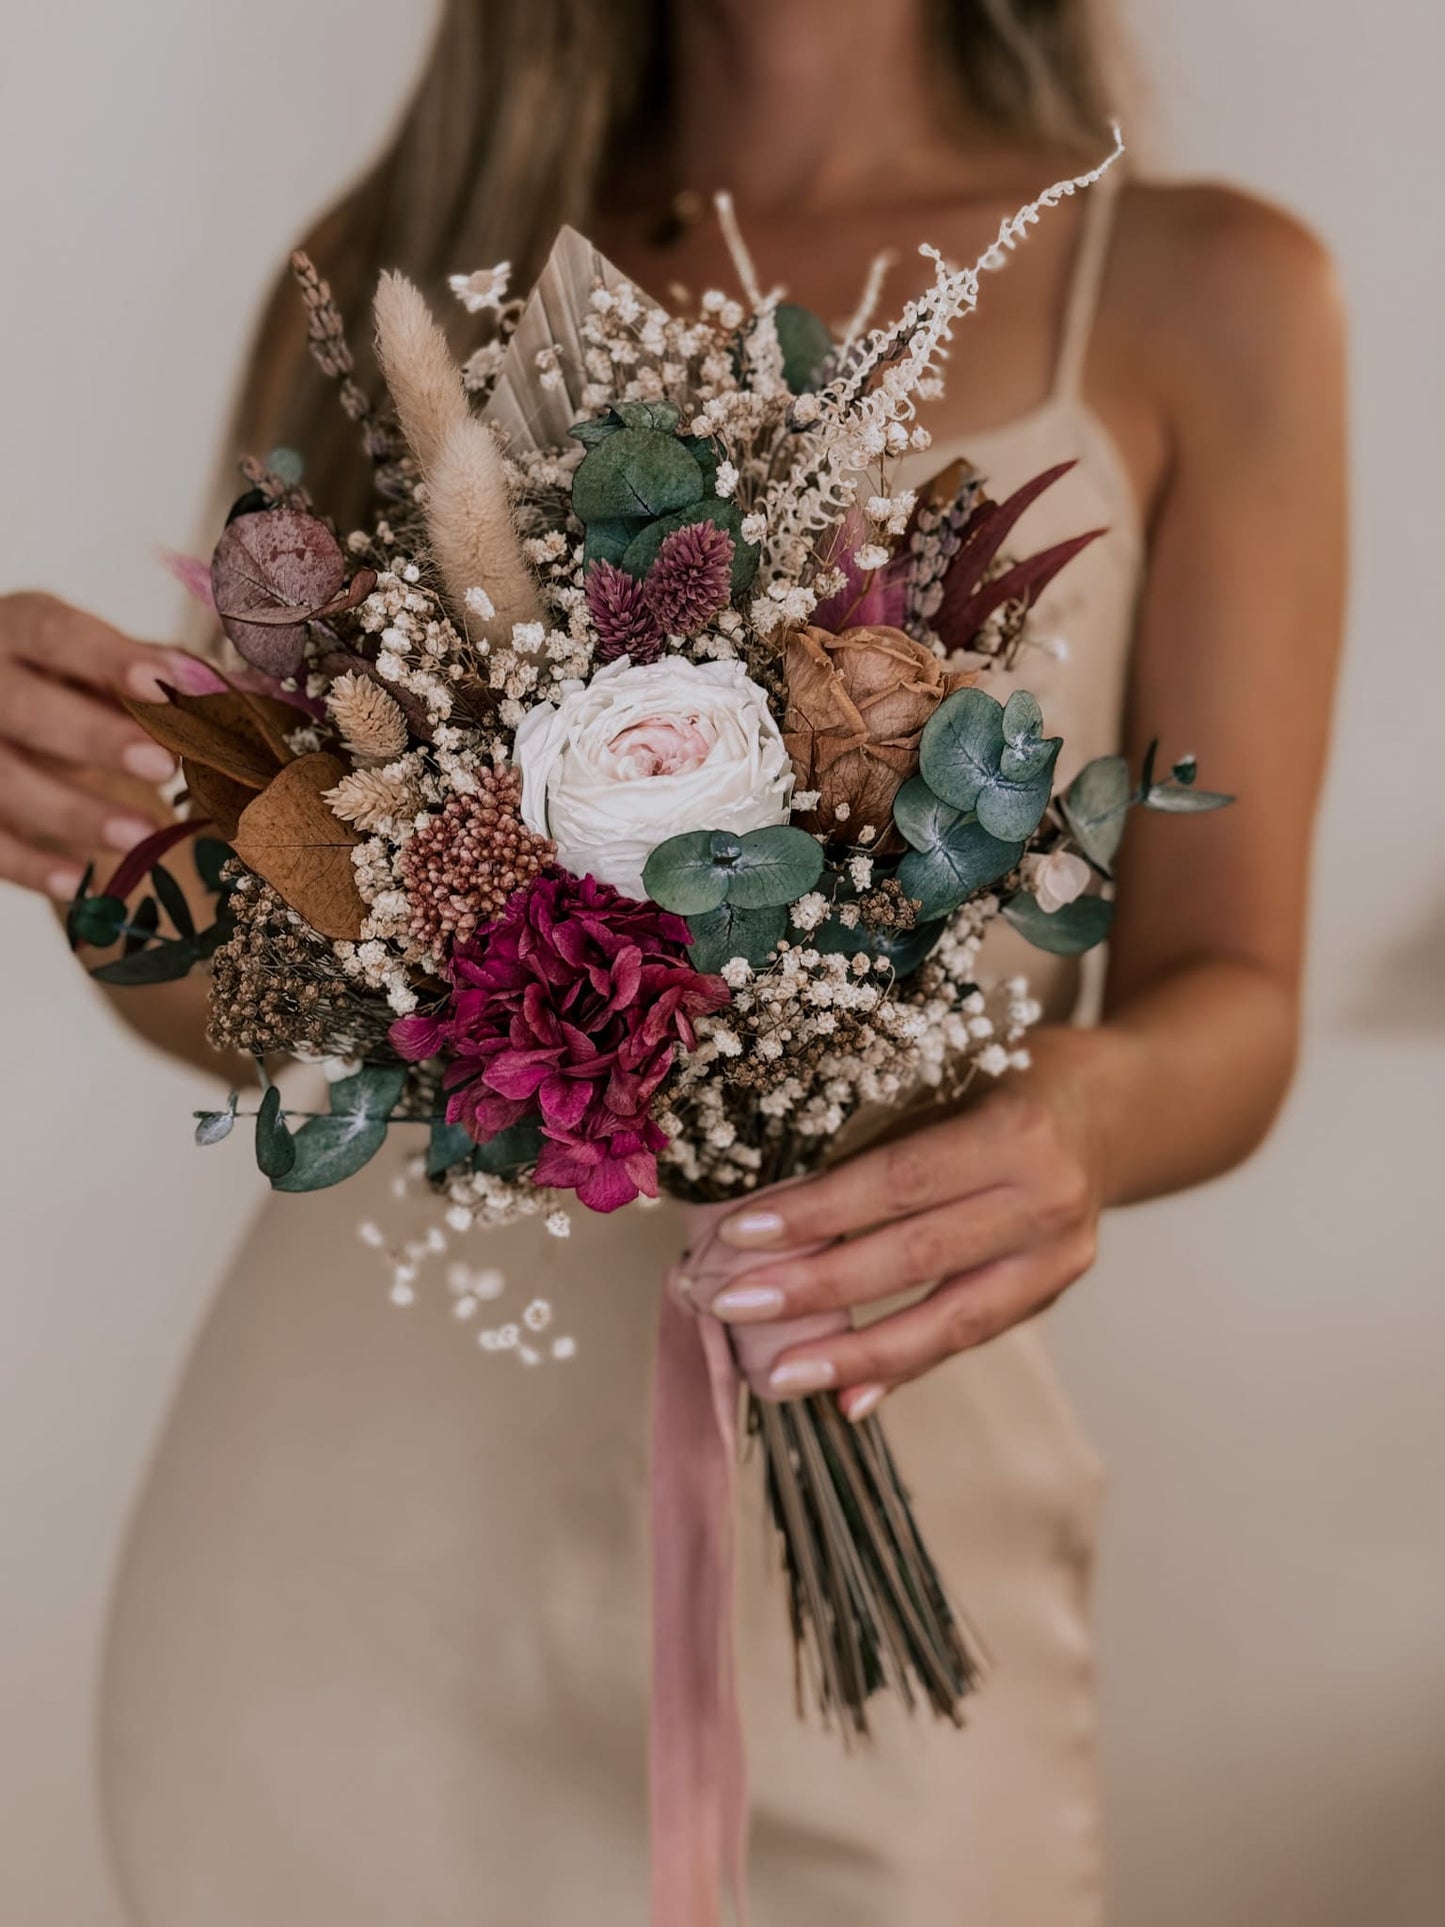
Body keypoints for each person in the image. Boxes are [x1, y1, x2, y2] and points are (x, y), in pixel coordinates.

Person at [0, 2, 1346, 1921]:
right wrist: (92, 823)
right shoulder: (398, 250)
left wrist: (1080, 1128)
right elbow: (246, 1018)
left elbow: (1237, 998)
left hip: (872, 1463)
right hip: (347, 1556)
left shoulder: (1210, 289)